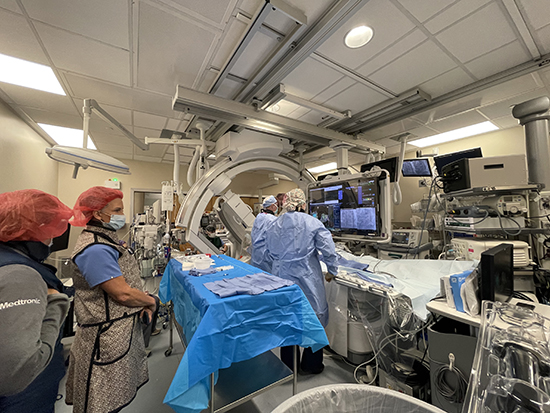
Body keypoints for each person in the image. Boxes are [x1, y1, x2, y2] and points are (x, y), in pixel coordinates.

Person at [66, 186, 157, 413]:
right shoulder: (95, 248)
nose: (121, 215)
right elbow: (122, 293)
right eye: (117, 210)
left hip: (117, 331)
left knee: (112, 397)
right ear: (97, 214)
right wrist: (149, 301)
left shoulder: (106, 239)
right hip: (104, 337)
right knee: (100, 402)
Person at [0, 189, 72, 413]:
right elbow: (17, 370)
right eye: (49, 228)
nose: (53, 237)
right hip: (21, 399)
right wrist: (56, 306)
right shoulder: (20, 275)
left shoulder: (7, 259)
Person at [266, 188, 338, 374]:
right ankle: (312, 365)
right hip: (307, 278)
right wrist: (332, 271)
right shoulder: (312, 222)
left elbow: (269, 251)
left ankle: (290, 367)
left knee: (288, 319)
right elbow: (328, 250)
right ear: (303, 204)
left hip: (281, 278)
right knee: (314, 318)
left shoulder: (274, 224)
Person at [250, 195, 278, 272]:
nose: (277, 207)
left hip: (256, 256)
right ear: (272, 206)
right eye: (276, 205)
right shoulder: (272, 220)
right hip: (266, 258)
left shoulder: (259, 216)